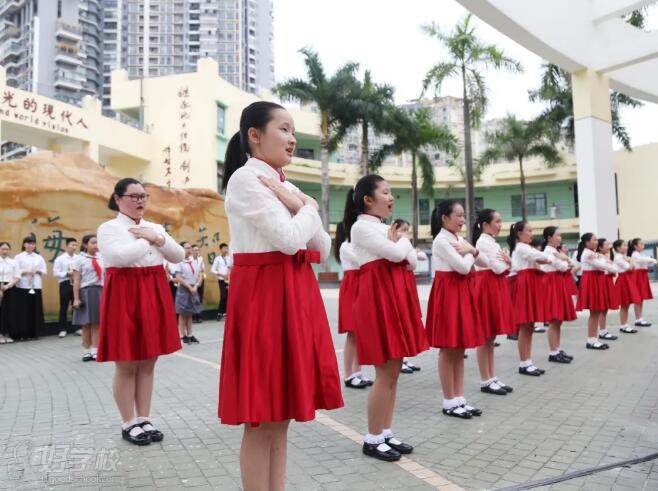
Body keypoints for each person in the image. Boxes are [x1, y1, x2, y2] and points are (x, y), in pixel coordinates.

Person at [218, 101, 343, 490]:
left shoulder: (284, 183)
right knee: (262, 417)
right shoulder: (245, 179)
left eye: (293, 131)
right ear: (254, 136)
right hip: (265, 298)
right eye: (283, 130)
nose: (292, 139)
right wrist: (305, 205)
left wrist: (298, 202)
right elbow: (291, 241)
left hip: (292, 293)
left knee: (282, 415)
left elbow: (322, 247)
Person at [97, 177, 185, 446]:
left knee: (149, 360)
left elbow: (178, 255)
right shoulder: (109, 228)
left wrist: (156, 237)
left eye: (144, 196)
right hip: (124, 292)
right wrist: (149, 241)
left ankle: (144, 418)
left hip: (153, 289)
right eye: (134, 196)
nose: (140, 201)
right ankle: (128, 422)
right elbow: (118, 258)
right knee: (126, 361)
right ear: (118, 198)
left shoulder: (154, 227)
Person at [348, 174, 428, 461]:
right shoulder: (361, 228)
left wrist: (401, 246)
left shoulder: (382, 229)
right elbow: (399, 255)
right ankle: (372, 437)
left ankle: (385, 431)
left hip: (393, 298)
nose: (391, 197)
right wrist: (403, 244)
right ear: (368, 200)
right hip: (379, 301)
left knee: (393, 371)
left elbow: (412, 260)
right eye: (385, 192)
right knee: (384, 372)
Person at [426, 201, 486, 418]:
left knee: (460, 349)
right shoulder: (441, 240)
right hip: (449, 294)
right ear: (445, 218)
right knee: (448, 348)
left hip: (461, 293)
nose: (462, 220)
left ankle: (459, 398)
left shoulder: (460, 239)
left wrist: (472, 250)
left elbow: (484, 262)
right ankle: (448, 400)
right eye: (458, 215)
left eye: (464, 215)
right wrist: (472, 252)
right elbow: (462, 268)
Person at [472, 209, 515, 396]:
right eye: (497, 221)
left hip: (494, 286)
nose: (500, 225)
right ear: (485, 224)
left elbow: (507, 266)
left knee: (491, 337)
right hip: (487, 287)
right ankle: (485, 379)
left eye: (500, 221)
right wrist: (507, 261)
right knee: (485, 336)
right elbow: (498, 268)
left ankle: (491, 376)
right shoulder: (483, 242)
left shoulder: (491, 242)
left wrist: (508, 261)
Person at [507, 221, 552, 376]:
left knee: (529, 327)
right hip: (524, 286)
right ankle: (524, 363)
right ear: (519, 233)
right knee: (525, 326)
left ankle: (528, 361)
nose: (532, 234)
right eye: (529, 230)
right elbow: (541, 257)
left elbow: (540, 258)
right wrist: (554, 256)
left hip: (529, 285)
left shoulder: (525, 247)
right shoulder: (522, 248)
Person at [334, 219, 371, 389]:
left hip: (360, 285)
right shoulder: (346, 246)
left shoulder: (354, 245)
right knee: (352, 333)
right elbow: (361, 261)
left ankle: (357, 372)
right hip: (352, 287)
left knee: (360, 333)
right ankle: (348, 374)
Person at [575, 233, 618, 350]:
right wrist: (611, 266)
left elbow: (605, 264)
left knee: (596, 312)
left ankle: (593, 339)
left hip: (595, 280)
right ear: (587, 242)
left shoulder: (592, 253)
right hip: (592, 281)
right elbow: (603, 265)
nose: (596, 242)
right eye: (594, 240)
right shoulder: (588, 254)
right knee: (594, 313)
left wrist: (607, 264)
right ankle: (591, 340)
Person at [541, 227, 576, 364]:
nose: (560, 238)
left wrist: (565, 258)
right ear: (549, 238)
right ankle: (553, 352)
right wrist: (564, 260)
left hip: (558, 284)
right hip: (552, 285)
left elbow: (570, 264)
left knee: (559, 320)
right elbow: (564, 267)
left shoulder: (556, 252)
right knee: (554, 320)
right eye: (558, 235)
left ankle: (558, 349)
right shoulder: (548, 252)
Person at [392, 218, 423, 374]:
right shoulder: (395, 245)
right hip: (399, 281)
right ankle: (400, 358)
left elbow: (417, 260)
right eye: (402, 230)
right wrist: (410, 251)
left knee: (407, 318)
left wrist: (412, 252)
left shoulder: (402, 245)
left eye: (406, 231)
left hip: (406, 280)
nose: (405, 234)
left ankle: (404, 358)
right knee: (400, 319)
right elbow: (412, 260)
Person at [72, 234, 103, 362]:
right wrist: (76, 298)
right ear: (85, 245)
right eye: (93, 243)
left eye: (97, 243)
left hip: (100, 291)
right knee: (86, 323)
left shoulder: (103, 258)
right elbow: (76, 280)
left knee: (97, 323)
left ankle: (95, 350)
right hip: (86, 292)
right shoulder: (79, 259)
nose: (96, 245)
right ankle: (86, 351)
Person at [13, 236, 47, 341]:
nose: (30, 245)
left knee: (35, 310)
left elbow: (44, 271)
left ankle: (35, 332)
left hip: (35, 286)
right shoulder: (18, 257)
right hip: (22, 286)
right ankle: (23, 333)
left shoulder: (38, 257)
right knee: (23, 310)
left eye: (32, 243)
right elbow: (14, 271)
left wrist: (37, 271)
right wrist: (26, 271)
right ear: (24, 244)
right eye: (28, 243)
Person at [174, 241, 203, 344]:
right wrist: (189, 286)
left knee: (190, 313)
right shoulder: (179, 261)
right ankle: (182, 336)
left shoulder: (193, 261)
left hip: (193, 288)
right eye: (187, 248)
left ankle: (190, 335)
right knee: (182, 314)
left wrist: (195, 286)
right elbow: (178, 277)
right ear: (181, 249)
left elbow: (200, 275)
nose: (189, 250)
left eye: (190, 247)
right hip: (184, 289)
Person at [612, 239, 640, 333]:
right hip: (623, 280)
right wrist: (631, 260)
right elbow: (629, 268)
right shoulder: (619, 257)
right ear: (618, 248)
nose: (626, 247)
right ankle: (623, 325)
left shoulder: (623, 257)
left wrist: (629, 260)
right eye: (624, 245)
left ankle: (625, 324)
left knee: (627, 304)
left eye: (626, 245)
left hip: (627, 279)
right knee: (624, 304)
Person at [594, 238, 620, 343]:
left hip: (607, 281)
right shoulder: (599, 257)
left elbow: (613, 269)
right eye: (606, 244)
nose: (609, 246)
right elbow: (611, 269)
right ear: (600, 247)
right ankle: (602, 331)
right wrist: (611, 268)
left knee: (604, 308)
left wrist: (611, 268)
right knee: (602, 308)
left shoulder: (604, 256)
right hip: (602, 282)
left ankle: (603, 330)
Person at [53, 237, 78, 338]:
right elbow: (55, 273)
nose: (74, 247)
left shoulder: (78, 258)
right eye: (72, 245)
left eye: (76, 245)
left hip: (76, 283)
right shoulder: (60, 259)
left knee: (76, 306)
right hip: (65, 283)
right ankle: (62, 329)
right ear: (67, 246)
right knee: (64, 306)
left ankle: (77, 327)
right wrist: (67, 273)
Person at [628, 238, 656, 327]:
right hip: (638, 277)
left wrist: (651, 262)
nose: (643, 245)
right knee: (638, 299)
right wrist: (653, 260)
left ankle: (640, 318)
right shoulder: (635, 254)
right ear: (635, 246)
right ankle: (638, 319)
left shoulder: (639, 254)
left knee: (641, 298)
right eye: (641, 244)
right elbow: (644, 260)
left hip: (642, 276)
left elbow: (646, 262)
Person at [0, 242, 20, 344]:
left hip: (10, 288)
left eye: (7, 249)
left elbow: (17, 277)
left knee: (9, 311)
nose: (5, 251)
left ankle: (7, 333)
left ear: (10, 250)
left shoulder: (13, 262)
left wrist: (7, 286)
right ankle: (0, 334)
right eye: (3, 249)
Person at [210, 243, 231, 321]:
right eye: (225, 248)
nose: (226, 250)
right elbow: (212, 270)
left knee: (229, 296)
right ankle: (220, 313)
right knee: (223, 296)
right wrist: (221, 275)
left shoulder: (229, 258)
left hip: (229, 280)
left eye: (227, 248)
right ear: (221, 249)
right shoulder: (217, 259)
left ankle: (226, 313)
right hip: (221, 280)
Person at [191, 244, 206, 323]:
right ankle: (193, 317)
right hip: (192, 281)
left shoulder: (201, 259)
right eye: (195, 250)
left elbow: (203, 269)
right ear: (192, 251)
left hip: (200, 280)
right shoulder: (189, 259)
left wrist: (202, 272)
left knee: (200, 298)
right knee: (193, 299)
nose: (197, 252)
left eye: (197, 250)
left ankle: (200, 316)